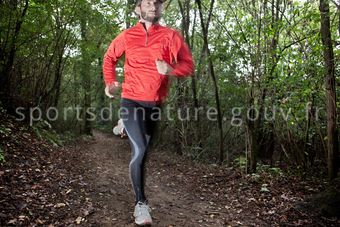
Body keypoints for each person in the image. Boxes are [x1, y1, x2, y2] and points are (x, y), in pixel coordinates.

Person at [102, 0, 194, 225]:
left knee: (145, 152)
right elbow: (109, 58)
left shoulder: (171, 36)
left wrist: (172, 69)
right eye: (147, 2)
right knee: (140, 149)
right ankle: (141, 204)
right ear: (137, 8)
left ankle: (124, 124)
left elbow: (188, 65)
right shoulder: (127, 36)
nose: (153, 5)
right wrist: (111, 82)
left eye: (157, 2)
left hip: (154, 104)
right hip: (131, 98)